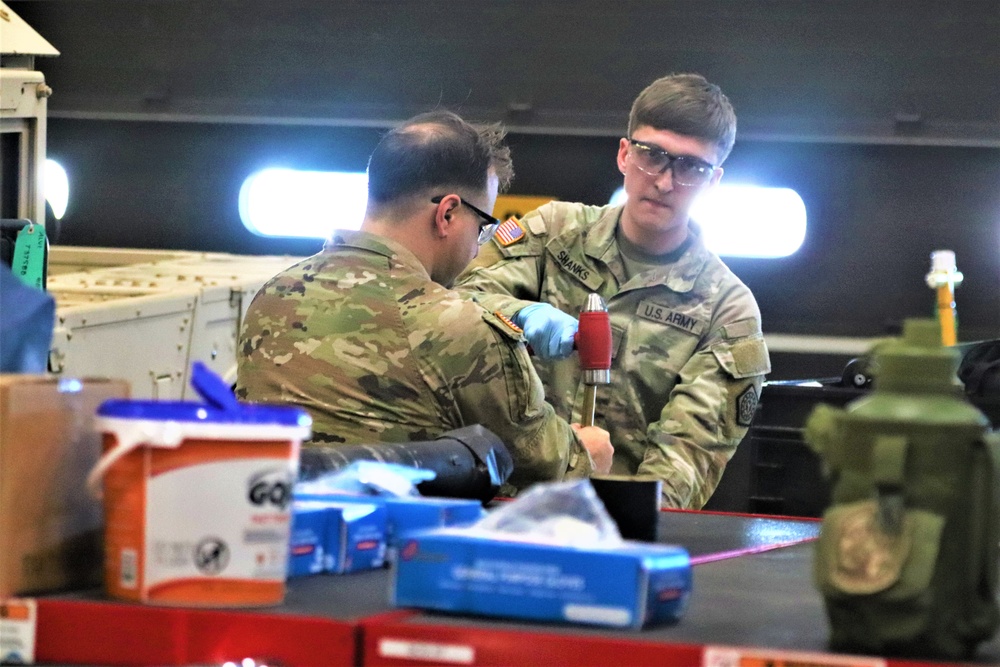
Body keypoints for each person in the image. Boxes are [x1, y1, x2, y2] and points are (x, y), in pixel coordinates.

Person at [236, 110, 613, 493]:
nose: (474, 250)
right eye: (482, 227)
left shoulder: (272, 296)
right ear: (447, 213)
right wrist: (588, 452)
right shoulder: (462, 329)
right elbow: (549, 468)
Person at [456, 73, 771, 509]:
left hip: (616, 524)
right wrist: (521, 316)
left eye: (690, 167)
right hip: (505, 505)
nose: (664, 181)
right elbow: (455, 305)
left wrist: (618, 527)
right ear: (624, 154)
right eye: (652, 156)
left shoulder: (727, 311)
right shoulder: (552, 233)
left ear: (713, 181)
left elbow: (684, 463)